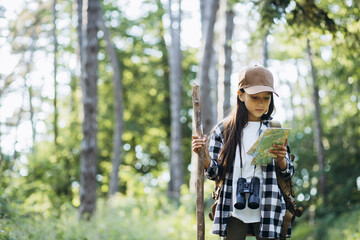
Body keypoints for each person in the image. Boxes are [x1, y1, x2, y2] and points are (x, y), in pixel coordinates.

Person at [192, 65, 294, 240]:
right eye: (254, 98)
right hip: (232, 206)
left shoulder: (274, 129)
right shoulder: (223, 130)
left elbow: (288, 173)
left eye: (266, 98)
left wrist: (281, 160)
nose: (261, 103)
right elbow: (214, 174)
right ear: (241, 95)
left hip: (268, 204)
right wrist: (205, 156)